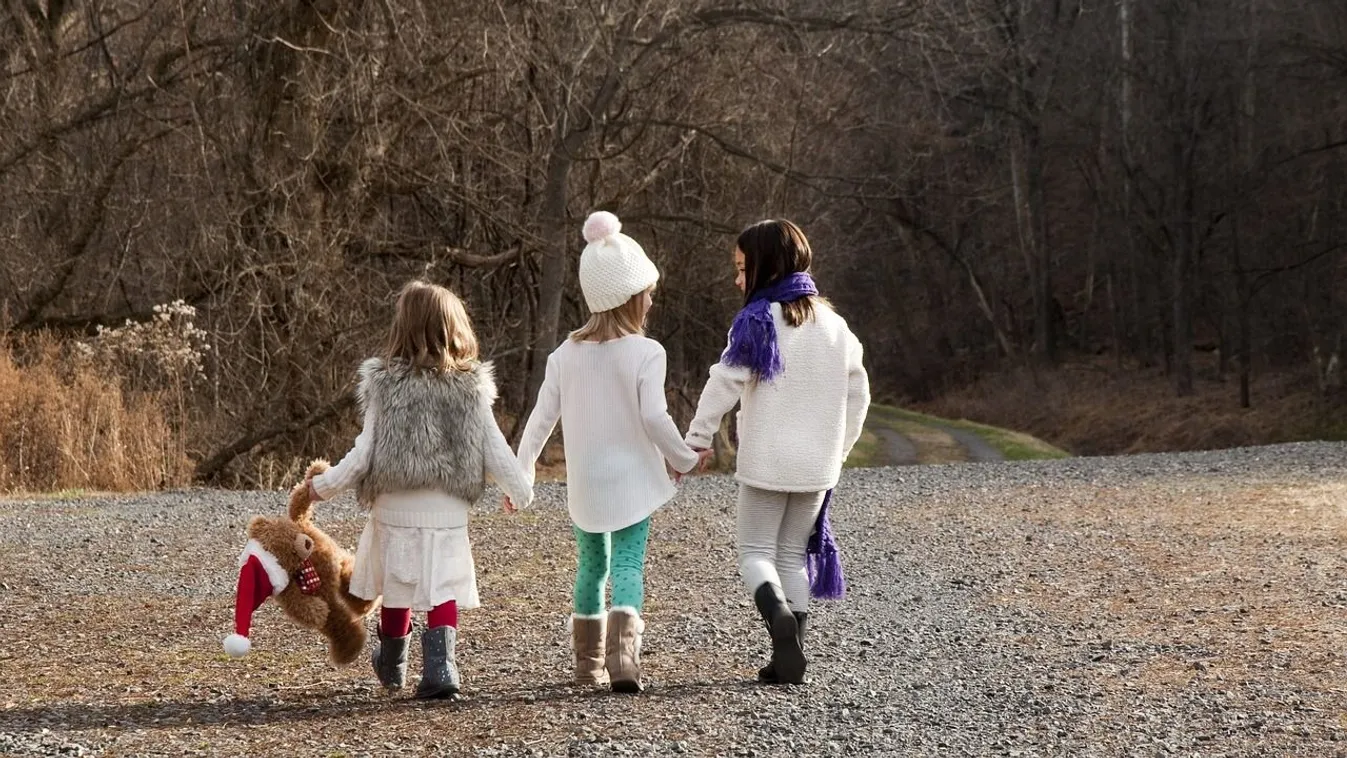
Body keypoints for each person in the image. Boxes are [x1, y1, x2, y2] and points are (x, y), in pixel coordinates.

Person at [307, 280, 533, 699]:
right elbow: (495, 448)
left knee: (398, 584)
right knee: (441, 586)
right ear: (455, 329)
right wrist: (520, 491)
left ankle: (392, 664)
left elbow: (363, 454)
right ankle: (441, 671)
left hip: (394, 508)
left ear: (403, 328)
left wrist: (322, 487)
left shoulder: (385, 386)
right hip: (446, 511)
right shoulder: (470, 388)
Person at [515, 211, 700, 693]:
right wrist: (682, 459)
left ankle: (586, 666)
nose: (652, 299)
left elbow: (539, 421)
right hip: (633, 483)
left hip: (587, 488)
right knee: (627, 566)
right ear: (630, 297)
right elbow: (656, 418)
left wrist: (523, 475)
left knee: (591, 568)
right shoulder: (647, 352)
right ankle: (623, 661)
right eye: (648, 292)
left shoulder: (564, 355)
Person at [685, 219, 870, 685]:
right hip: (816, 468)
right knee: (791, 554)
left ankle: (777, 616)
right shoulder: (836, 326)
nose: (737, 279)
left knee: (754, 553)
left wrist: (698, 439)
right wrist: (840, 449)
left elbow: (724, 381)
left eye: (743, 268)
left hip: (766, 463)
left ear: (766, 267)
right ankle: (790, 654)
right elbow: (859, 394)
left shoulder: (758, 320)